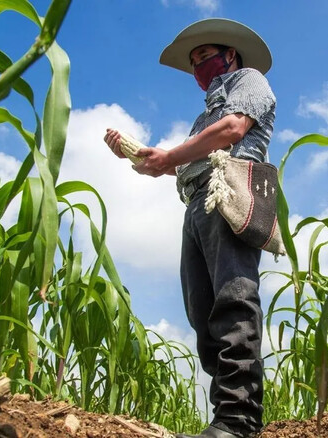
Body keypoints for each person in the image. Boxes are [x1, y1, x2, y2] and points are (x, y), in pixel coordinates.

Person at [104, 18, 276, 438]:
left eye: (205, 57)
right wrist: (145, 159)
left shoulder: (249, 81)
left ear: (229, 55)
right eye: (194, 61)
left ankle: (239, 421)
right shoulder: (201, 119)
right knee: (202, 310)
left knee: (234, 298)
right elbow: (183, 162)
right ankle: (224, 418)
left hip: (230, 189)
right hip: (197, 201)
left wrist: (169, 157)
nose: (199, 66)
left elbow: (233, 129)